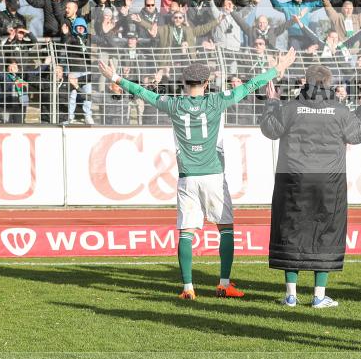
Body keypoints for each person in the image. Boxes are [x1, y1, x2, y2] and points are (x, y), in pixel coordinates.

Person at [99, 49, 297, 299]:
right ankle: (224, 284)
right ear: (207, 83)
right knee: (225, 227)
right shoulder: (217, 101)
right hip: (214, 174)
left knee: (186, 231)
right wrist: (277, 69)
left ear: (184, 83)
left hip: (187, 177)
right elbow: (249, 86)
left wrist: (115, 77)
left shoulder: (173, 104)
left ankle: (188, 288)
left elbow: (142, 92)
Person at [259, 64, 361, 308]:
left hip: (293, 179)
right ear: (329, 84)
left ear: (305, 82)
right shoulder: (340, 111)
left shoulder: (290, 108)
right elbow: (359, 134)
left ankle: (291, 295)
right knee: (327, 229)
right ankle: (319, 296)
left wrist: (272, 102)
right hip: (328, 180)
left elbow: (270, 130)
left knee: (290, 228)